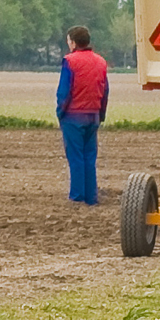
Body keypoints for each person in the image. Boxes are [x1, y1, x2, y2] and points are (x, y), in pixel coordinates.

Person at [57, 26, 109, 206]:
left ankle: (77, 196)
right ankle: (91, 197)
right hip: (93, 115)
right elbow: (105, 90)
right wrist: (101, 114)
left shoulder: (70, 61)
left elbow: (64, 91)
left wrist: (60, 112)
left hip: (73, 116)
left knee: (76, 157)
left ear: (73, 42)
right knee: (89, 157)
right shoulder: (101, 62)